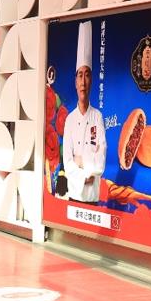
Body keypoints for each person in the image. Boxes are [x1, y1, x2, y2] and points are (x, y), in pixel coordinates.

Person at [62, 21, 106, 202]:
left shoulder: (97, 117)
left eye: (87, 74)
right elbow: (67, 161)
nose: (83, 81)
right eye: (80, 75)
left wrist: (81, 160)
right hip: (74, 194)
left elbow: (101, 157)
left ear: (91, 80)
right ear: (75, 82)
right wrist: (84, 175)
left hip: (93, 196)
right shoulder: (70, 119)